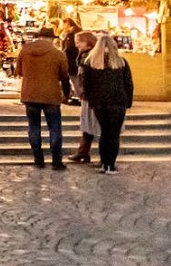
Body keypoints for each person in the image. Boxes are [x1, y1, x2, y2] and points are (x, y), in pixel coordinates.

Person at [15, 24, 71, 169]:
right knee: (54, 128)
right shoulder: (58, 54)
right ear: (51, 38)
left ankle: (38, 159)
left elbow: (19, 71)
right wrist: (66, 94)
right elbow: (64, 76)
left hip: (29, 94)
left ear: (38, 37)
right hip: (51, 96)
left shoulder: (25, 51)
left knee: (33, 127)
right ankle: (56, 161)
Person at [80, 33, 134, 174]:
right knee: (114, 134)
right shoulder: (121, 62)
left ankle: (104, 163)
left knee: (104, 133)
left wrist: (92, 101)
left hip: (99, 103)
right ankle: (110, 165)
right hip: (117, 102)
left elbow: (87, 85)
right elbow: (128, 84)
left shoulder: (90, 63)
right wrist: (128, 101)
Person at [68, 32, 99, 163]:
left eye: (79, 42)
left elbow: (86, 78)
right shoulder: (86, 55)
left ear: (88, 42)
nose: (76, 44)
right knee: (87, 124)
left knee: (89, 123)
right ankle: (83, 152)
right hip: (90, 95)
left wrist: (82, 91)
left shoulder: (89, 57)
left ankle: (84, 152)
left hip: (91, 96)